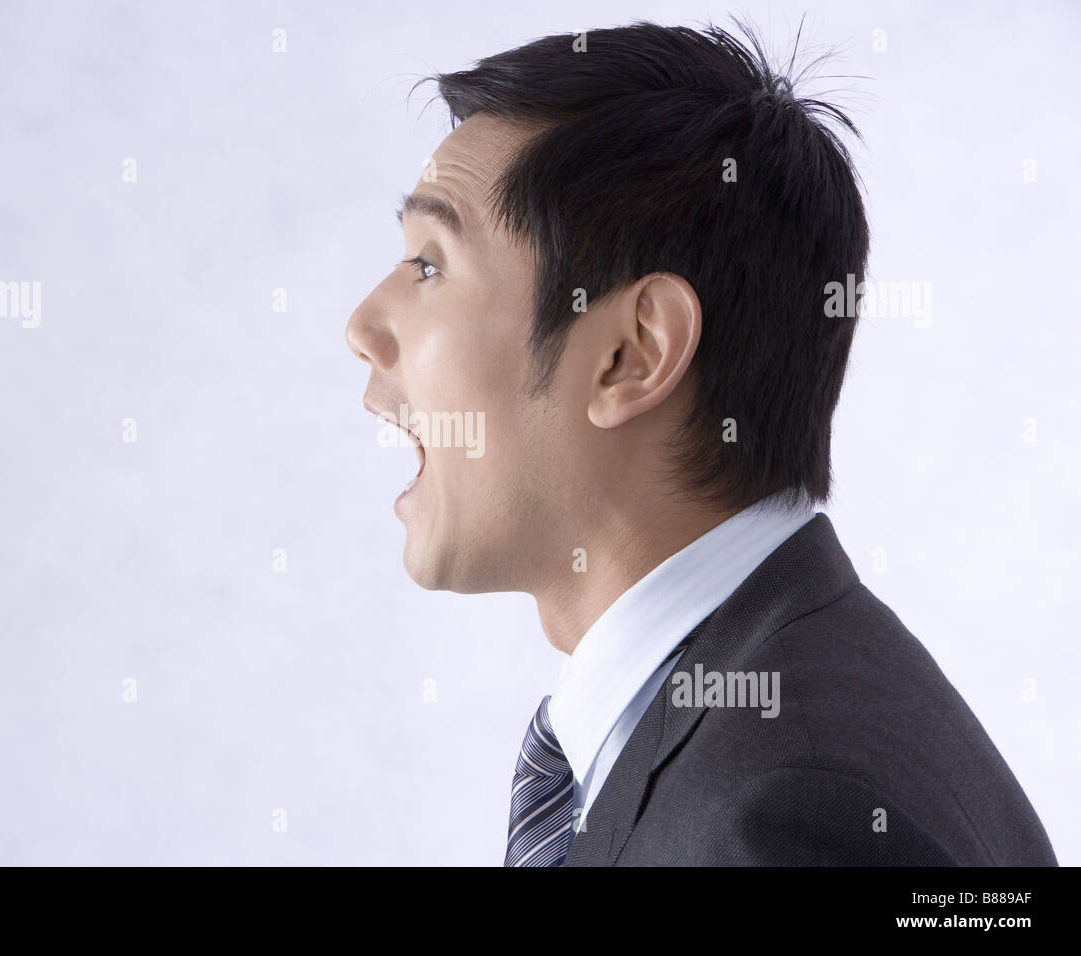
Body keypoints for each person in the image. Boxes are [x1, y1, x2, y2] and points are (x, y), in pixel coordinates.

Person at [343, 19, 1056, 866]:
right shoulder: (753, 724)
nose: (361, 326)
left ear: (630, 353)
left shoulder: (781, 813)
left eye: (430, 264)